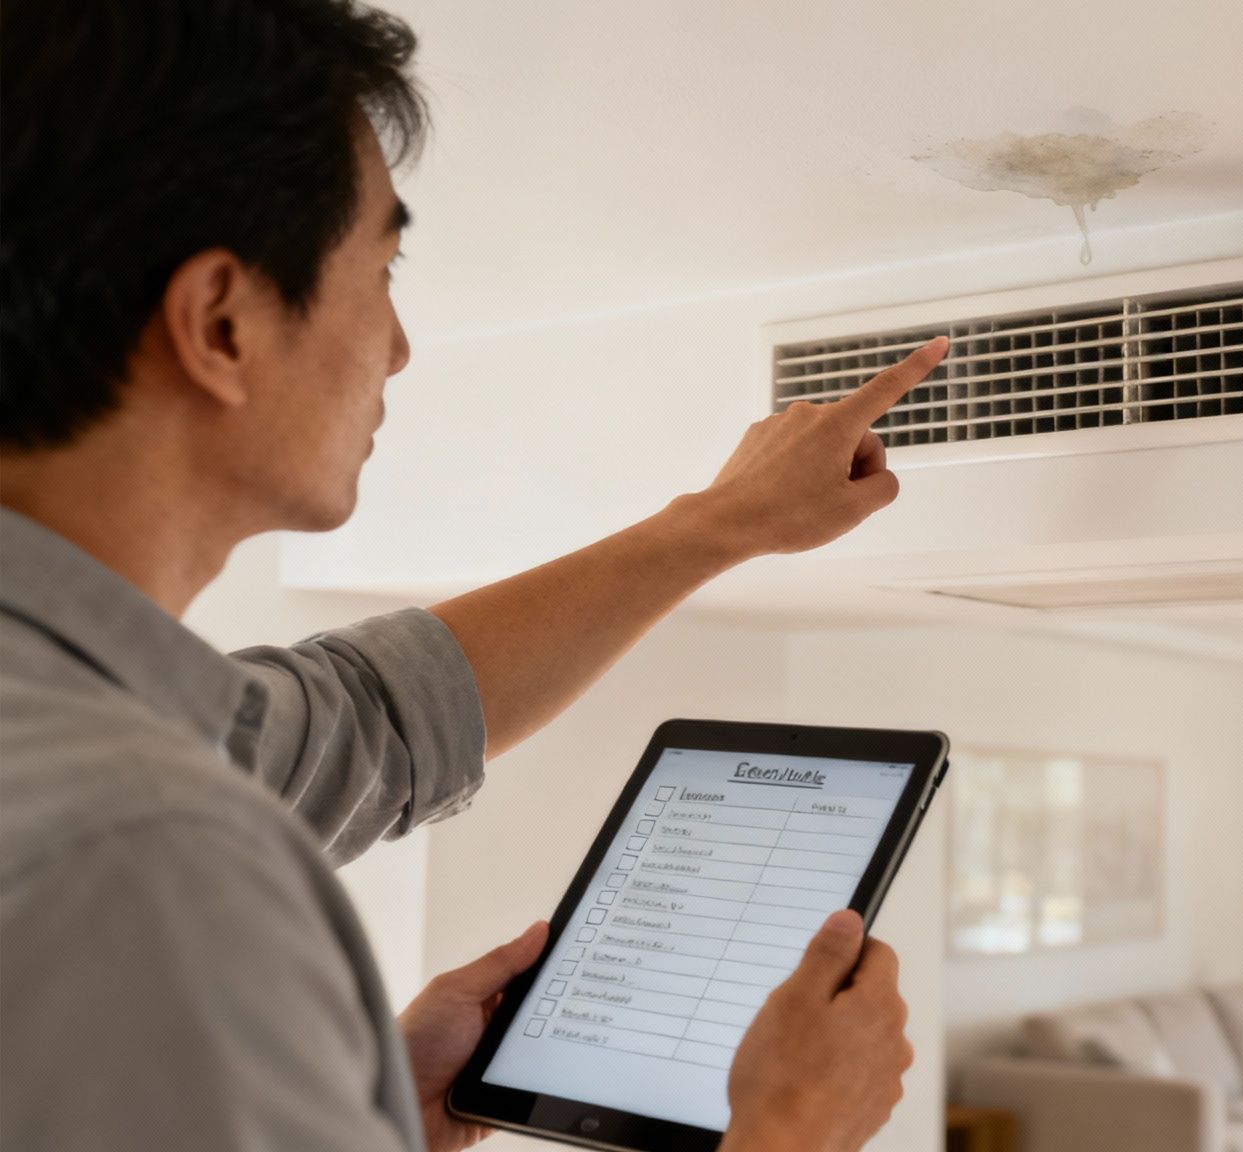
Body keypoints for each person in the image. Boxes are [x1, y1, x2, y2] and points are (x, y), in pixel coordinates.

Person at [0, 1, 947, 1149]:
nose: (398, 346)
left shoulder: (90, 739)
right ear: (222, 321)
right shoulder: (150, 858)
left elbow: (365, 722)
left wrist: (362, 1116)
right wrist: (791, 1129)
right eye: (384, 266)